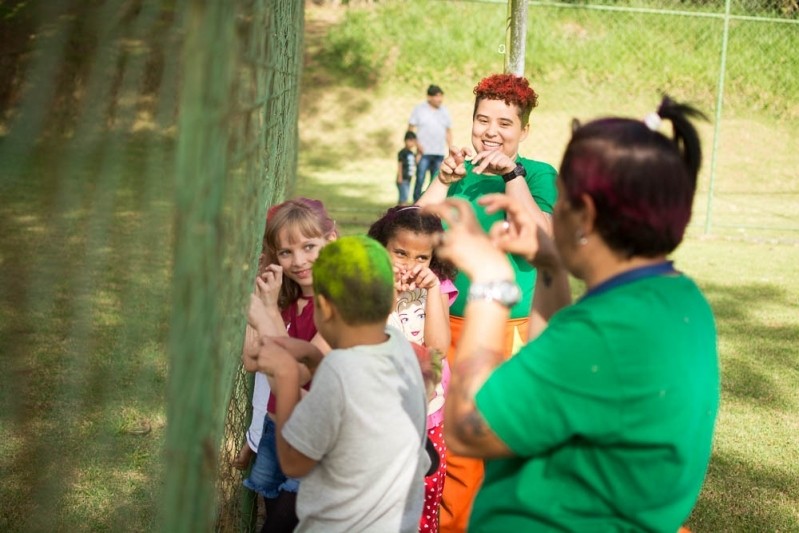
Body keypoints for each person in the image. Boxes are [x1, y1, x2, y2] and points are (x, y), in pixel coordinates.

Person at [423, 96, 720, 531]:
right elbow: (558, 368)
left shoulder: (610, 329)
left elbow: (468, 429)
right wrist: (551, 266)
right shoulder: (675, 297)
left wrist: (491, 278)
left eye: (561, 198)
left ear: (586, 215)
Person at [416, 72, 560, 531]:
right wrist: (441, 181)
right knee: (453, 440)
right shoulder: (459, 173)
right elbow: (408, 229)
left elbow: (540, 237)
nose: (492, 131)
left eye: (505, 122)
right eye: (483, 120)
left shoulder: (537, 174)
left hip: (511, 329)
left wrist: (512, 175)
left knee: (503, 434)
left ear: (523, 131)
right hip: (450, 326)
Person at [243, 235, 430, 532]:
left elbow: (294, 464)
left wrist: (286, 375)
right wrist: (311, 356)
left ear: (325, 308)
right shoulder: (397, 347)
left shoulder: (340, 370)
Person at [239, 197, 337, 532]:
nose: (299, 261)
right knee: (275, 513)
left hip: (315, 435)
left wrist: (266, 315)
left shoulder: (338, 303)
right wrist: (263, 303)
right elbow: (251, 360)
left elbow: (298, 371)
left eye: (310, 246)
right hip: (275, 427)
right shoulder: (285, 297)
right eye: (286, 252)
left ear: (331, 241)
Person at [367, 205, 458, 531]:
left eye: (422, 258)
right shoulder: (371, 284)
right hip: (381, 412)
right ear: (382, 248)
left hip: (427, 413)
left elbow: (436, 349)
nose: (410, 264)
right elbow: (374, 333)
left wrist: (432, 290)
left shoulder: (438, 289)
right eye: (400, 253)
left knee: (425, 490)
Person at [409, 84, 452, 202]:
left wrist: (450, 148)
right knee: (420, 179)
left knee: (436, 181)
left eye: (441, 96)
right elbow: (410, 129)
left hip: (439, 153)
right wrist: (417, 146)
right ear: (429, 97)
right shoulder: (419, 109)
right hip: (424, 153)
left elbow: (448, 131)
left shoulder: (444, 111)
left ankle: (432, 208)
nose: (440, 99)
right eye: (437, 96)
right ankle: (415, 207)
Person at [397, 131, 419, 205]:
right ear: (405, 140)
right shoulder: (402, 152)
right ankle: (400, 213)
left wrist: (419, 152)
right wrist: (400, 176)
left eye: (413, 141)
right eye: (410, 141)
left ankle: (398, 213)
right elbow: (400, 164)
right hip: (403, 178)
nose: (412, 143)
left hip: (409, 178)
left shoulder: (412, 153)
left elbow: (416, 162)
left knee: (404, 197)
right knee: (403, 198)